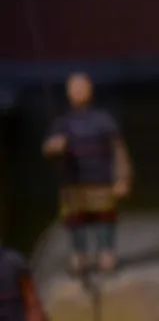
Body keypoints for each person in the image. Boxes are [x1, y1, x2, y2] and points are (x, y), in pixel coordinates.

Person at [42, 72, 132, 275]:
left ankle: (106, 252)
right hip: (73, 182)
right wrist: (54, 147)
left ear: (90, 90)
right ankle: (79, 254)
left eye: (82, 88)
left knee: (104, 219)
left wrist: (122, 178)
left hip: (101, 181)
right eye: (74, 88)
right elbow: (49, 148)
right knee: (76, 220)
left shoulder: (104, 120)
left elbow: (119, 151)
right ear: (68, 93)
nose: (78, 92)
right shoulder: (62, 123)